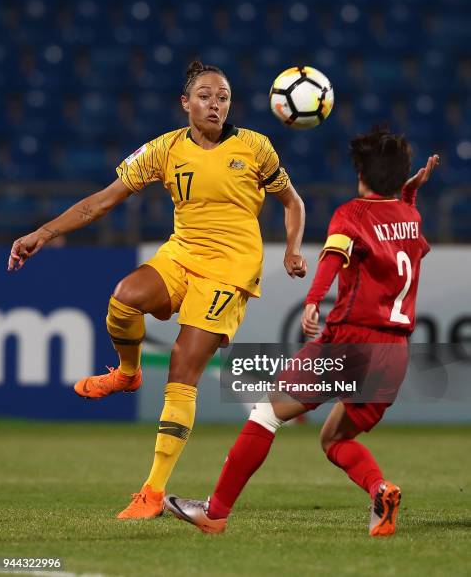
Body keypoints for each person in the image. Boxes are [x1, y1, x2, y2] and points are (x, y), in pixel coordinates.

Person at [7, 61, 307, 519]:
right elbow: (100, 202)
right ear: (185, 103)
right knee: (124, 297)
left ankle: (152, 491)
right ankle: (128, 372)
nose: (215, 104)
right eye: (205, 95)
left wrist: (291, 249)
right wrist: (43, 233)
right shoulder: (164, 149)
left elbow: (293, 202)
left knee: (183, 368)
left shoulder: (255, 147)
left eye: (223, 97)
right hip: (181, 255)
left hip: (229, 272)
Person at [165, 126, 439, 537]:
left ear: (360, 172)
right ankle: (380, 490)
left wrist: (313, 300)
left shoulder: (352, 213)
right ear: (401, 178)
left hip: (351, 341)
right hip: (394, 352)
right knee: (334, 439)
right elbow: (404, 233)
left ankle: (215, 513)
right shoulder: (412, 216)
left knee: (266, 412)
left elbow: (331, 257)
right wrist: (409, 194)